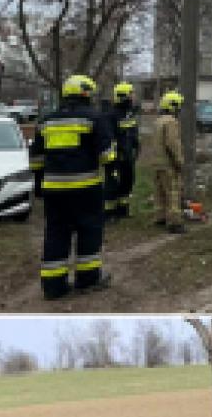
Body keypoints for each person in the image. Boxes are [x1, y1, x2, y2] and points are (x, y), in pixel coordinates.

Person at [29, 74, 115, 299]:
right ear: (86, 94)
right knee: (89, 232)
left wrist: (39, 184)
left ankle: (53, 286)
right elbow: (107, 156)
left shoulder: (46, 121)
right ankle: (87, 280)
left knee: (56, 233)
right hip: (86, 189)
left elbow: (35, 159)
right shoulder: (94, 118)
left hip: (54, 191)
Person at [105, 82, 140, 219]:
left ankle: (122, 210)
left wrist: (136, 146)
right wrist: (115, 155)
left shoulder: (129, 114)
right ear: (123, 96)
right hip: (116, 157)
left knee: (127, 181)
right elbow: (109, 137)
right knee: (112, 184)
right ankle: (109, 212)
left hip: (128, 155)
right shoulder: (111, 115)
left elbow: (132, 133)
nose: (133, 97)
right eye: (131, 94)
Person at [155, 91, 186, 234]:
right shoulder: (171, 122)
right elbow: (173, 144)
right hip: (168, 163)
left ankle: (160, 217)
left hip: (157, 163)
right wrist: (179, 161)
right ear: (173, 106)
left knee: (160, 192)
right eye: (178, 106)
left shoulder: (158, 121)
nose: (180, 110)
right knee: (173, 192)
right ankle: (174, 223)